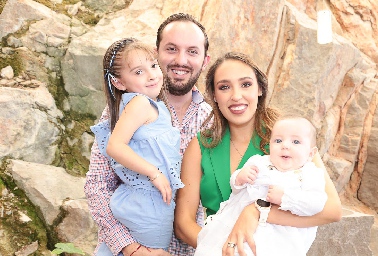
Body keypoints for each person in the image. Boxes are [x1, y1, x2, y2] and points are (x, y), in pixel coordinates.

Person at [174, 52, 342, 256]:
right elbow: (183, 224)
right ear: (214, 97)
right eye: (224, 87)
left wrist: (258, 212)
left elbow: (332, 210)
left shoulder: (289, 140)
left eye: (246, 84)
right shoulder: (200, 146)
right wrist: (223, 248)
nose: (236, 96)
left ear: (260, 88)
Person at [85, 13, 211, 256]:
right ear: (157, 52)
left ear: (205, 61)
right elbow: (97, 186)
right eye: (171, 49)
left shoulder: (211, 121)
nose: (180, 59)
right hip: (128, 246)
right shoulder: (122, 112)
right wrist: (134, 249)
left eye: (192, 51)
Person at [90, 37, 184, 254]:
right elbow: (114, 146)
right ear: (119, 83)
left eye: (153, 65)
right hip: (146, 204)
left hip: (152, 202)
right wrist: (154, 173)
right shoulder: (139, 103)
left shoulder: (154, 106)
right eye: (138, 72)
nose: (151, 75)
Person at [195, 116, 327, 256]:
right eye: (278, 140)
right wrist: (239, 178)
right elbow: (235, 189)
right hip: (235, 224)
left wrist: (285, 198)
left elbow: (316, 203)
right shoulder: (260, 162)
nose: (285, 145)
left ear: (311, 153)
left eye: (296, 141)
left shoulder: (310, 175)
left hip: (279, 237)